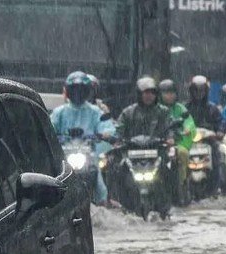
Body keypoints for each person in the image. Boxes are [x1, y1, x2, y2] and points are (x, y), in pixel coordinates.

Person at [51, 71, 115, 204]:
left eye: (81, 90)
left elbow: (107, 127)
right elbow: (49, 128)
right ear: (68, 91)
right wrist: (53, 136)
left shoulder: (95, 111)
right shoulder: (59, 112)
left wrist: (105, 133)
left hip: (89, 154)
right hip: (63, 155)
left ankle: (101, 203)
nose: (77, 93)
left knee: (99, 179)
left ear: (87, 92)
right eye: (74, 90)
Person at [185, 75, 224, 192]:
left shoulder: (213, 108)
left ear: (206, 92)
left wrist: (220, 131)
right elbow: (179, 122)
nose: (199, 93)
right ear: (191, 91)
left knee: (218, 150)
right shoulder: (186, 108)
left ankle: (216, 184)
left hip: (208, 141)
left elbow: (220, 122)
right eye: (196, 90)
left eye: (202, 90)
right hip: (189, 141)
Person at [159, 79, 196, 202]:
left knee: (182, 153)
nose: (169, 96)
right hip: (157, 145)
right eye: (166, 93)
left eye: (172, 93)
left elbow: (189, 122)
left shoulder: (180, 109)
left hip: (176, 143)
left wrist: (186, 129)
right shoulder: (156, 109)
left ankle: (181, 183)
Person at [115, 76, 173, 141]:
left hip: (158, 148)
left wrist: (170, 137)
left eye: (152, 92)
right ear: (139, 94)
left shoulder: (163, 111)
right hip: (131, 148)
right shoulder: (128, 112)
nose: (150, 95)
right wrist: (115, 138)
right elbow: (118, 129)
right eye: (146, 92)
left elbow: (170, 127)